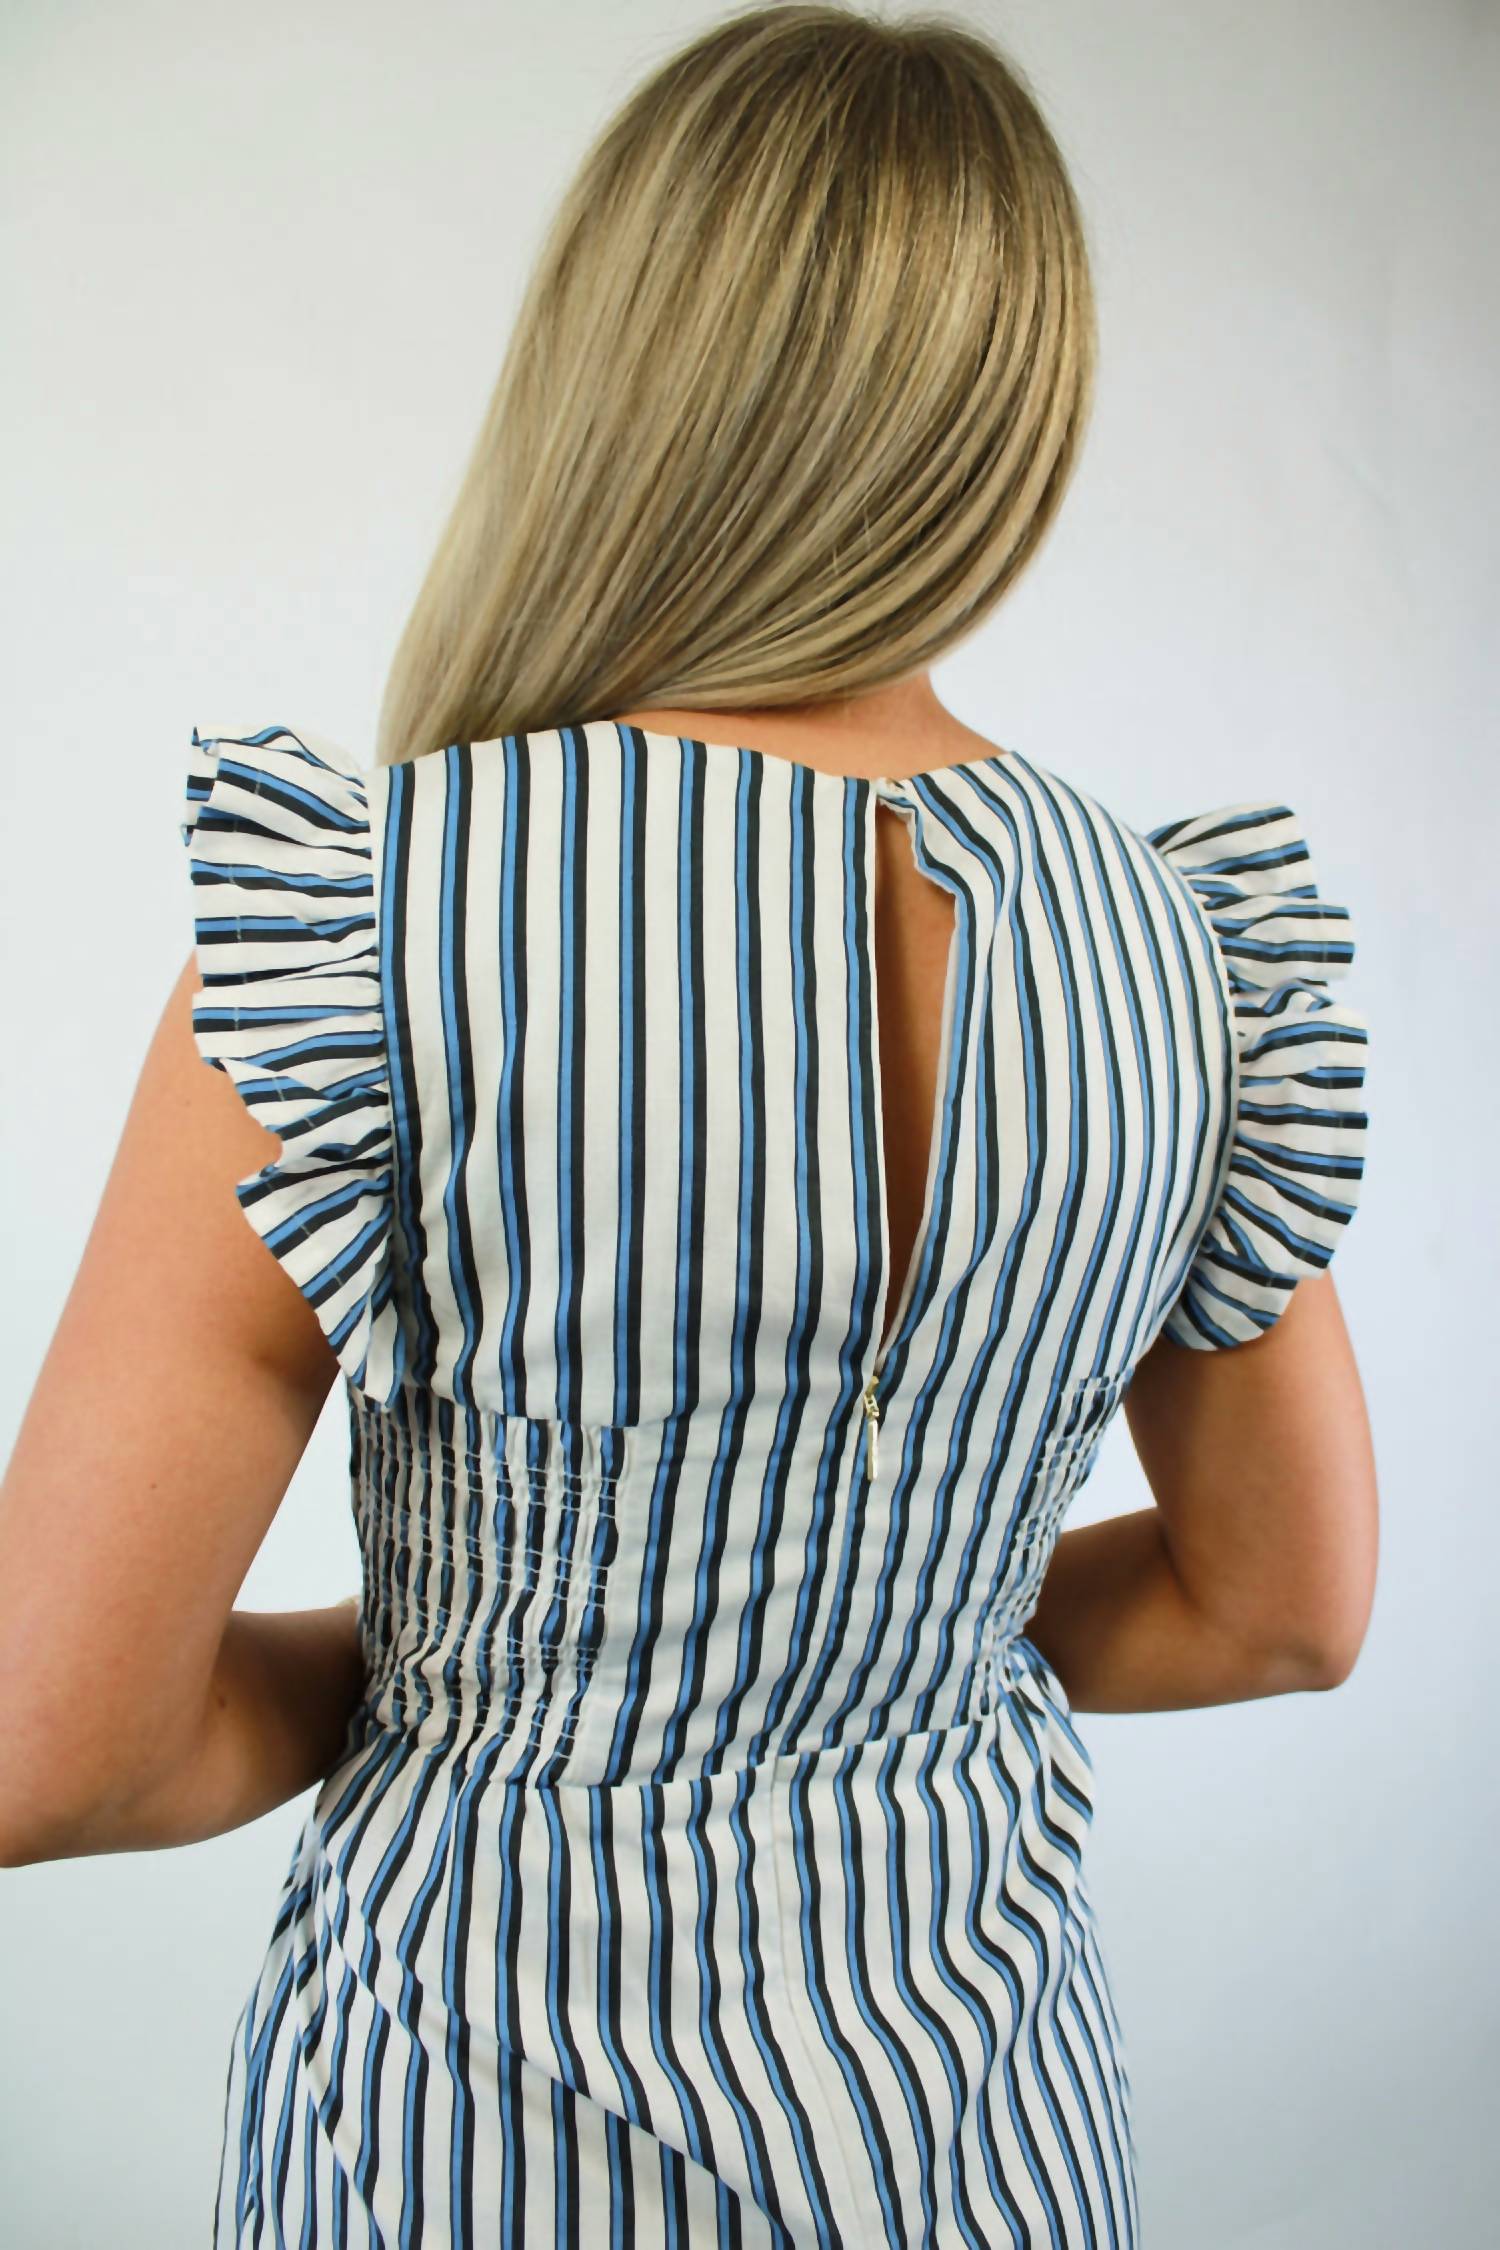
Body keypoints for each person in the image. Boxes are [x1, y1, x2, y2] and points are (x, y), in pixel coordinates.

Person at [0, 5, 1375, 2243]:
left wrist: (461, 1673)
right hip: (986, 2141)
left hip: (463, 2147)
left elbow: (51, 1743)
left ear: (619, 363)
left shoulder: (379, 924)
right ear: (1011, 409)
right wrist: (878, 1644)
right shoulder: (1184, 954)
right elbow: (1283, 1610)